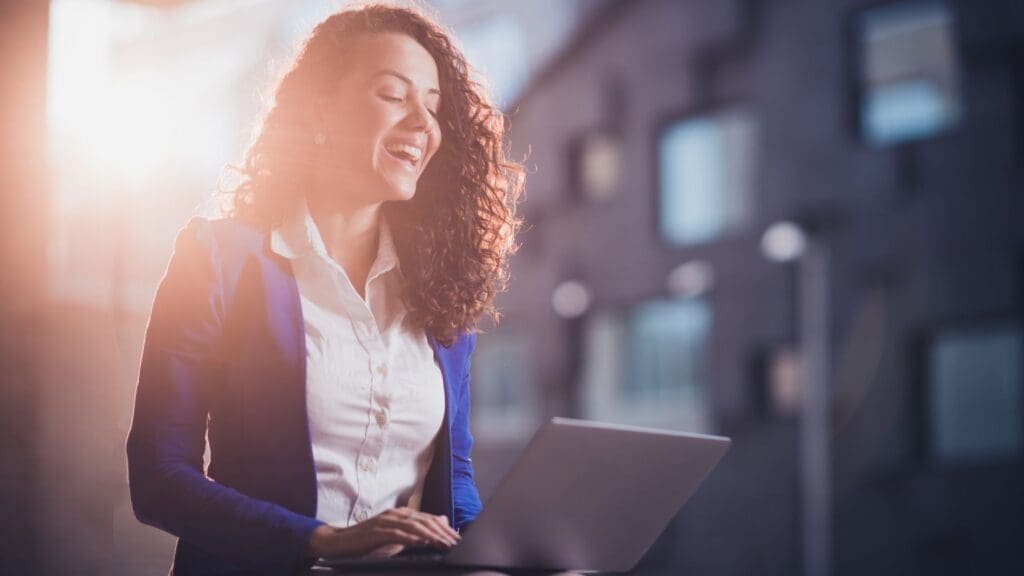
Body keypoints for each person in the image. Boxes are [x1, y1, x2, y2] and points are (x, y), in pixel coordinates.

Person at [126, 4, 523, 576]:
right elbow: (159, 478)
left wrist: (511, 554)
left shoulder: (441, 290)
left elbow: (452, 481)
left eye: (434, 106)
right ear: (320, 110)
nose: (423, 123)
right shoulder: (218, 260)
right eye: (394, 95)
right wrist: (321, 540)